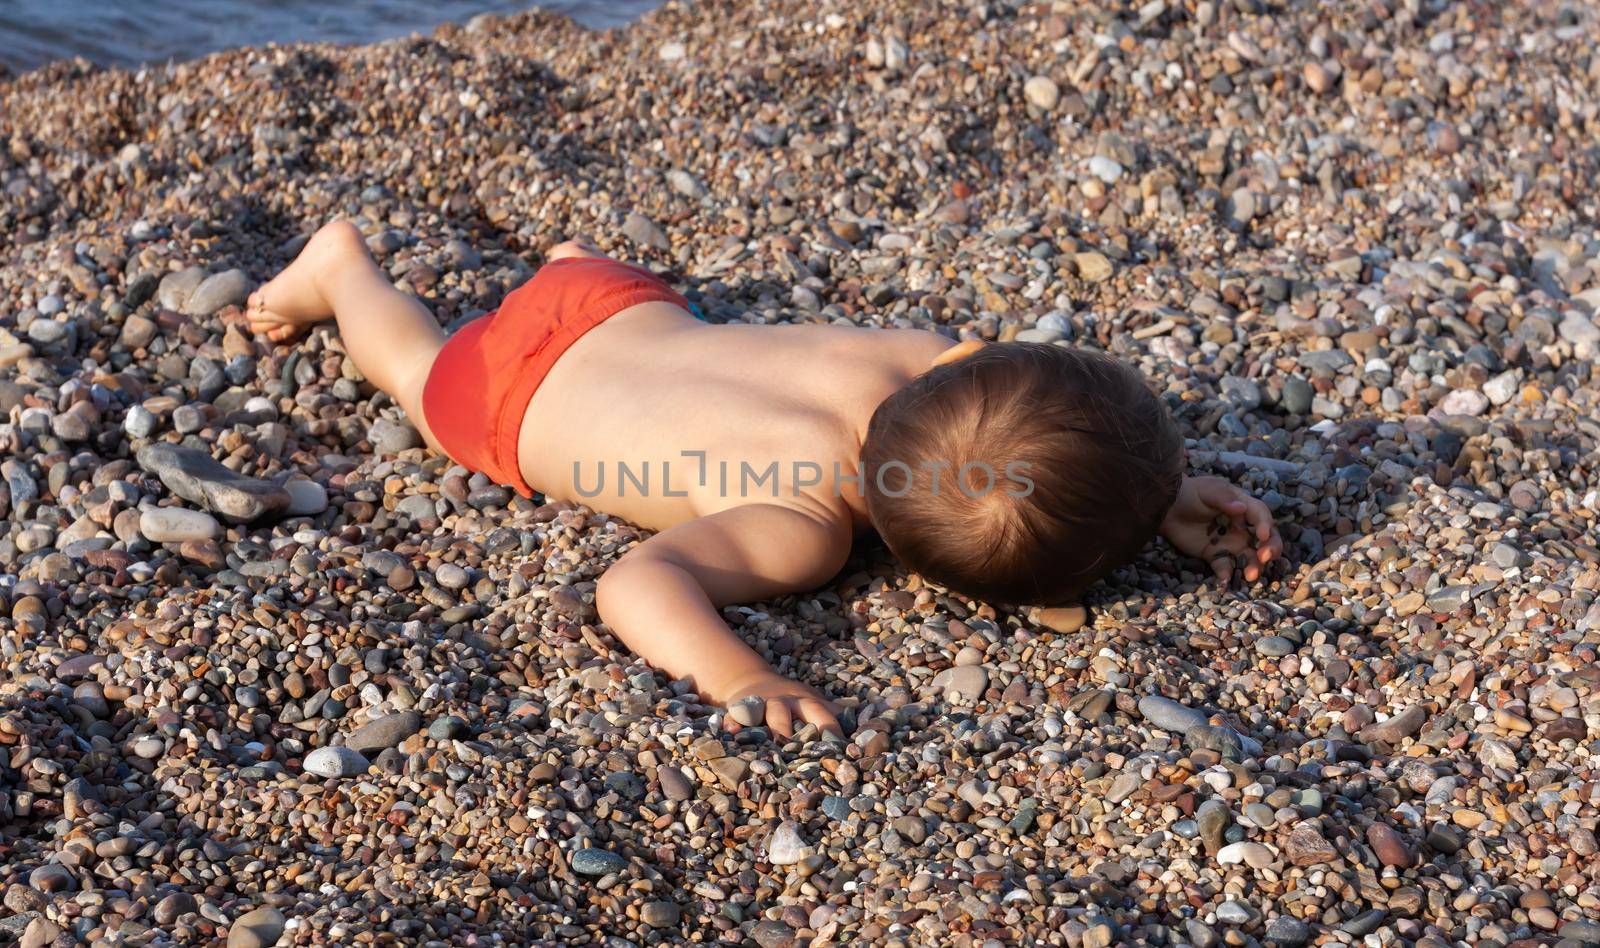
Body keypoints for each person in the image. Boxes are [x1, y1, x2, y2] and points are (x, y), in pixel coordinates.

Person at [247, 221, 1283, 737]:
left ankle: (551, 260)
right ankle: (343, 273)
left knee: (650, 326)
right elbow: (637, 585)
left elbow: (1022, 386)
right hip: (508, 401)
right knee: (418, 375)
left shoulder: (914, 363)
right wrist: (735, 676)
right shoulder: (805, 527)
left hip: (608, 300)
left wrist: (1164, 491)